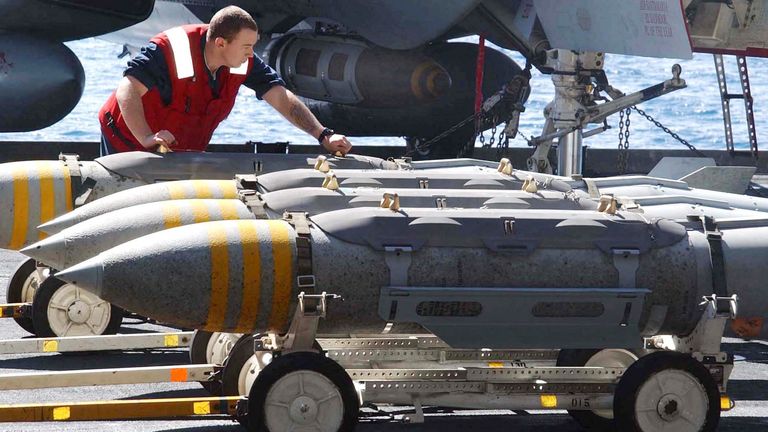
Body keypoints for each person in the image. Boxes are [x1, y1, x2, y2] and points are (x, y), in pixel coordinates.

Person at [98, 5, 352, 155]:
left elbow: (279, 96)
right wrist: (146, 137)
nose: (251, 53)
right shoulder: (172, 48)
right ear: (220, 43)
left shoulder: (241, 61)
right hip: (126, 141)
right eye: (246, 46)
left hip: (177, 152)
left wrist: (322, 135)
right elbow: (127, 88)